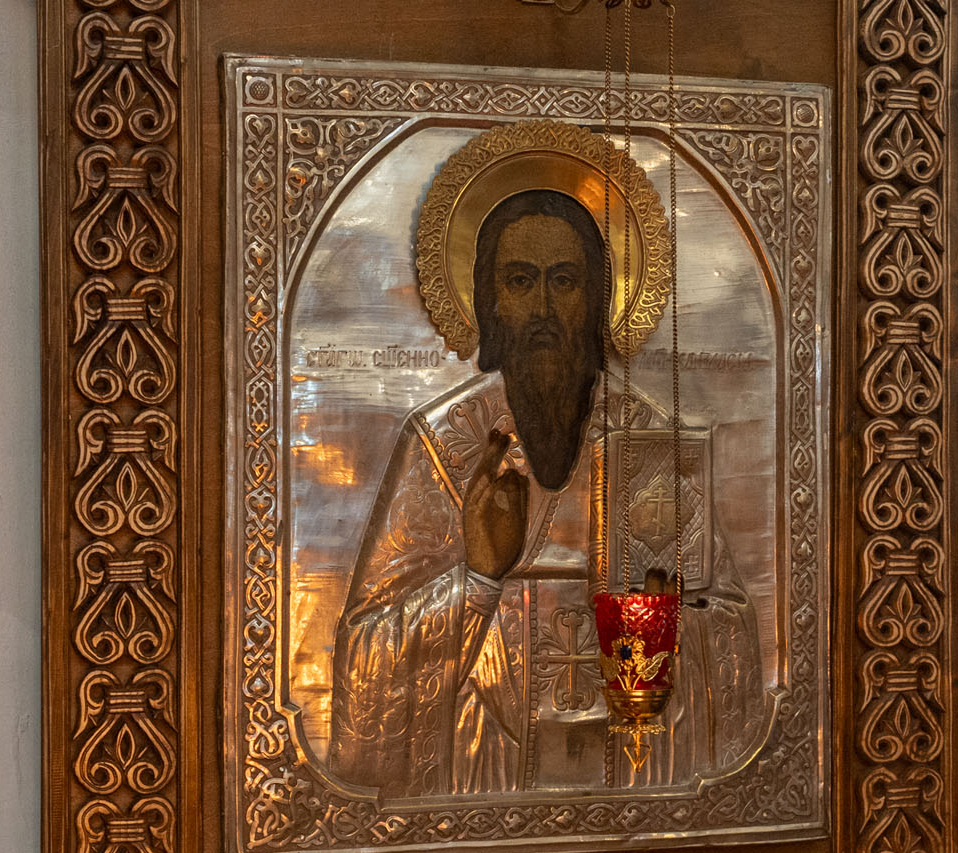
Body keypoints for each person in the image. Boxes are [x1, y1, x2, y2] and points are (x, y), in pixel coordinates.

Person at [326, 188, 762, 798]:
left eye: (564, 281)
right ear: (489, 303)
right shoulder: (444, 445)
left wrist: (662, 620)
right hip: (482, 773)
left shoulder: (649, 438)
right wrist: (476, 580)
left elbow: (730, 626)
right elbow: (365, 660)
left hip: (630, 770)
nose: (543, 308)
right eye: (520, 281)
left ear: (595, 301)